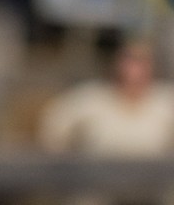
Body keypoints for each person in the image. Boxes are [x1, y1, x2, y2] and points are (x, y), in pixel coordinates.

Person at [38, 39, 174, 205]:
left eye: (141, 62)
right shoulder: (92, 97)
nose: (134, 69)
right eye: (129, 60)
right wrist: (62, 159)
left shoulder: (165, 100)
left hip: (153, 191)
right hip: (98, 189)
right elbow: (54, 123)